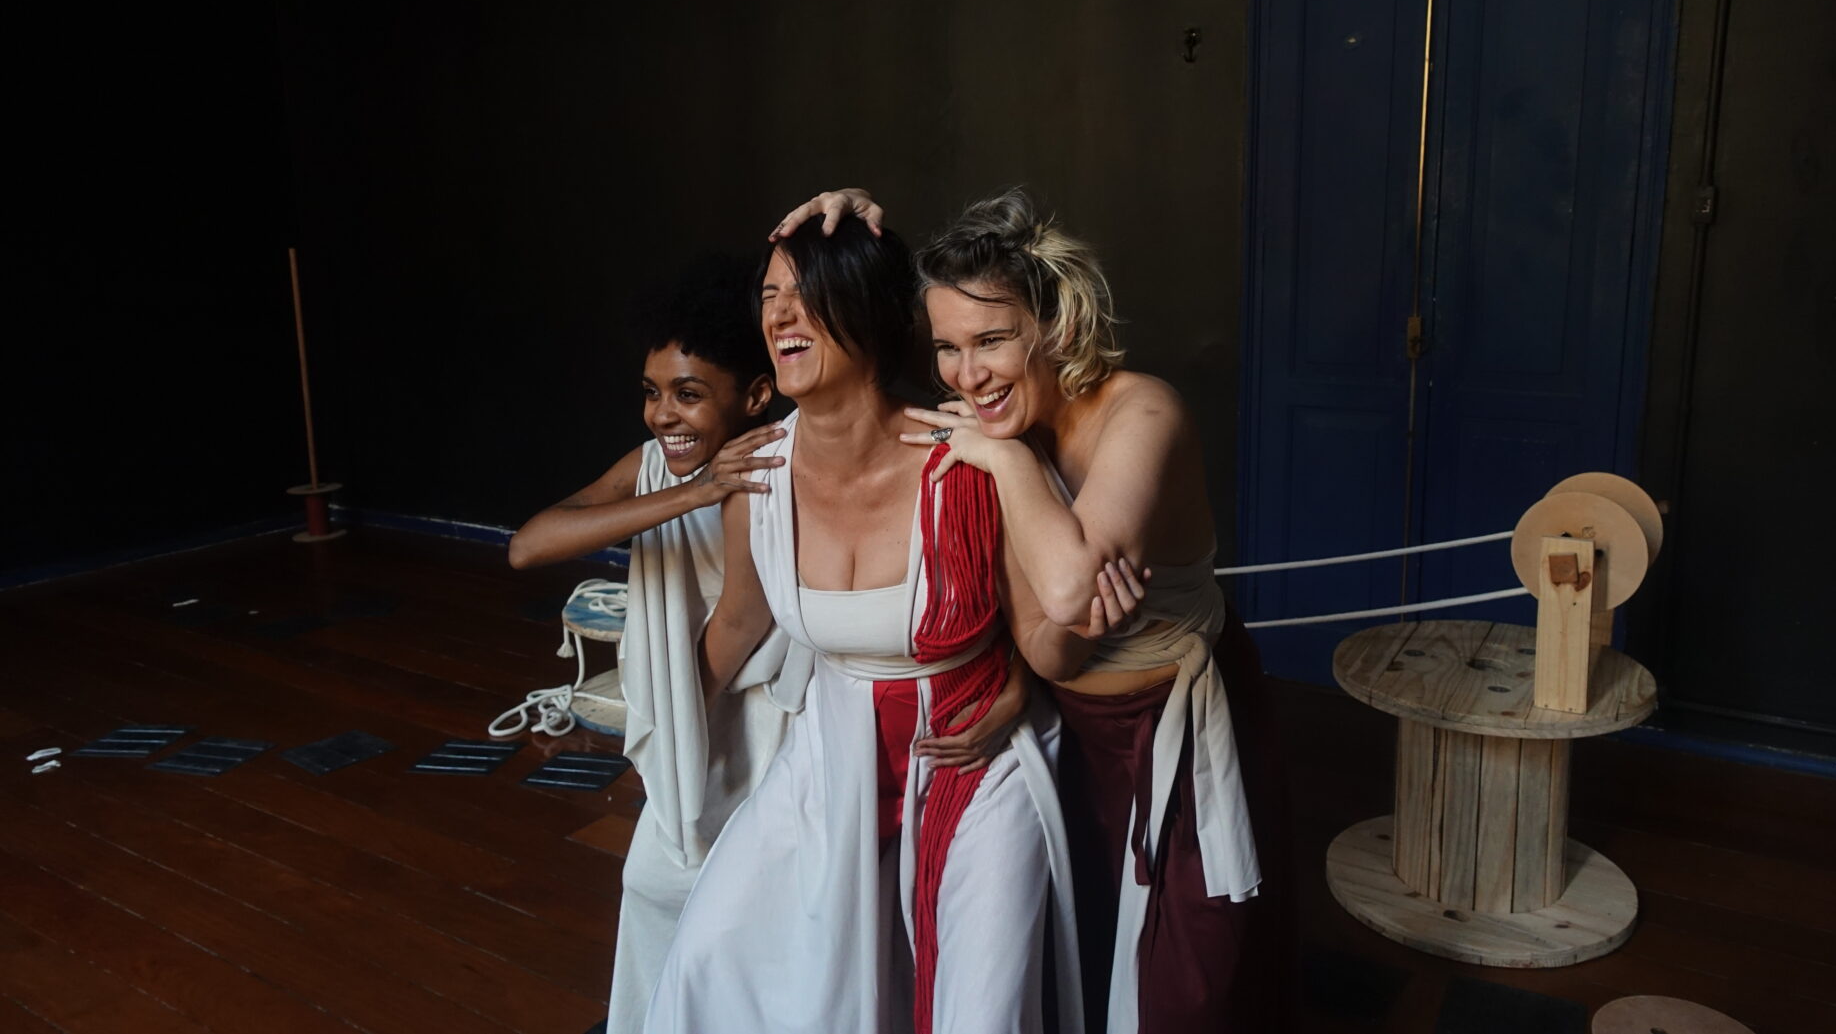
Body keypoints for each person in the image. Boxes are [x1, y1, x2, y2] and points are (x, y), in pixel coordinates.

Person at [772, 188, 1289, 1032]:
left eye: (992, 340)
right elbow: (1053, 648)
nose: (967, 374)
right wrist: (847, 205)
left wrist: (1007, 465)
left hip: (1184, 729)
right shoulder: (995, 428)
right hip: (1079, 734)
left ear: (1056, 325)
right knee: (1088, 974)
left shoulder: (1142, 412)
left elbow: (1067, 596)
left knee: (1190, 995)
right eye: (947, 348)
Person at [645, 214, 1082, 1034]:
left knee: (980, 1011)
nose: (779, 314)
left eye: (805, 293)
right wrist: (662, 745)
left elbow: (1045, 627)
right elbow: (736, 624)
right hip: (831, 756)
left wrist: (1020, 681)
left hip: (973, 755)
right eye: (769, 295)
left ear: (869, 311)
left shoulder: (968, 457)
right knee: (709, 959)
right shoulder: (758, 474)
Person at [507, 255, 801, 1034]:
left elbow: (740, 623)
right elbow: (529, 545)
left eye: (689, 394)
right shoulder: (656, 468)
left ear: (755, 395)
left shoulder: (769, 467)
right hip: (694, 710)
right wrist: (691, 490)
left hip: (755, 719)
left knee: (735, 904)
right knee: (658, 889)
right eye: (652, 392)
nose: (663, 414)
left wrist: (675, 733)